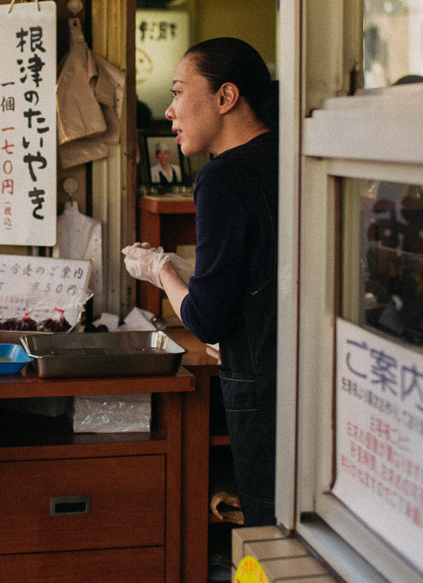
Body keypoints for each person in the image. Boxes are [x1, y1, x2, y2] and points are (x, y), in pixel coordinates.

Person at [123, 36, 279, 527]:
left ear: (225, 98)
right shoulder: (286, 156)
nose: (169, 112)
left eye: (177, 92)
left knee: (268, 525)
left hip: (263, 386)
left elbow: (207, 318)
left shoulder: (222, 177)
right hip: (303, 375)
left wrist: (159, 269)